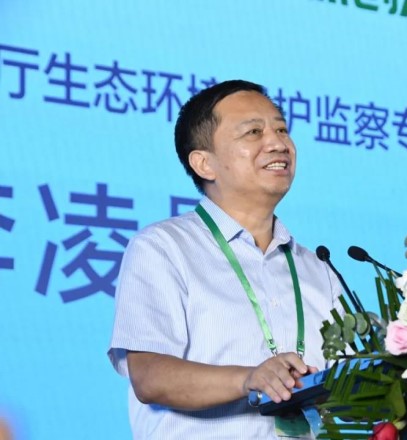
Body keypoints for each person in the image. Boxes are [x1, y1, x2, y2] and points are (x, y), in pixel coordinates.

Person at [108, 80, 342, 439]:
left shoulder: (318, 269)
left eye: (282, 129)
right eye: (253, 132)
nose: (278, 143)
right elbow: (149, 376)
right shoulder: (163, 248)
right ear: (204, 164)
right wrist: (249, 378)